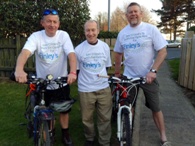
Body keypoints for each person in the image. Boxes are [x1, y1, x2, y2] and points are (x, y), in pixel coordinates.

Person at [14, 9, 77, 146]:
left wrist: (72, 72)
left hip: (61, 82)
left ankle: (65, 133)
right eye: (48, 21)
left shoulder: (63, 36)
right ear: (42, 23)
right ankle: (50, 134)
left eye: (55, 22)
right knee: (46, 111)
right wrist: (19, 69)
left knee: (64, 110)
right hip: (42, 84)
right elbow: (25, 53)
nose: (52, 24)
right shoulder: (36, 37)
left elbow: (71, 55)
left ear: (59, 24)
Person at [114, 2, 171, 146]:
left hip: (148, 77)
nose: (133, 14)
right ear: (126, 16)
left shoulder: (150, 29)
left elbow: (163, 51)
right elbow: (118, 53)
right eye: (130, 12)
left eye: (135, 11)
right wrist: (117, 72)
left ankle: (164, 137)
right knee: (127, 106)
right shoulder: (123, 33)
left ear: (141, 13)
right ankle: (128, 131)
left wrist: (153, 71)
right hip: (129, 77)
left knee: (155, 108)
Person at [75, 20, 112, 146]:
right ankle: (89, 139)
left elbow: (106, 67)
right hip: (86, 89)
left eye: (93, 30)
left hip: (103, 88)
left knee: (105, 118)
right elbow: (77, 70)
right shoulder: (78, 49)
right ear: (84, 32)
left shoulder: (105, 47)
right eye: (87, 30)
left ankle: (104, 142)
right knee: (87, 118)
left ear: (98, 31)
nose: (90, 33)